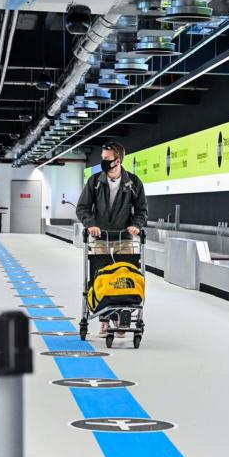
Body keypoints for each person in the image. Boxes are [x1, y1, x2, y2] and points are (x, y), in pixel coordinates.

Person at [75, 142, 148, 335]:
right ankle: (105, 319)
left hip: (125, 238)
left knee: (123, 277)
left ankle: (120, 317)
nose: (103, 161)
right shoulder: (95, 181)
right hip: (100, 239)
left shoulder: (133, 183)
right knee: (101, 277)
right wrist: (90, 224)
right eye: (103, 157)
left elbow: (141, 210)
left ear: (118, 161)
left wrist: (136, 225)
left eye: (107, 158)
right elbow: (82, 207)